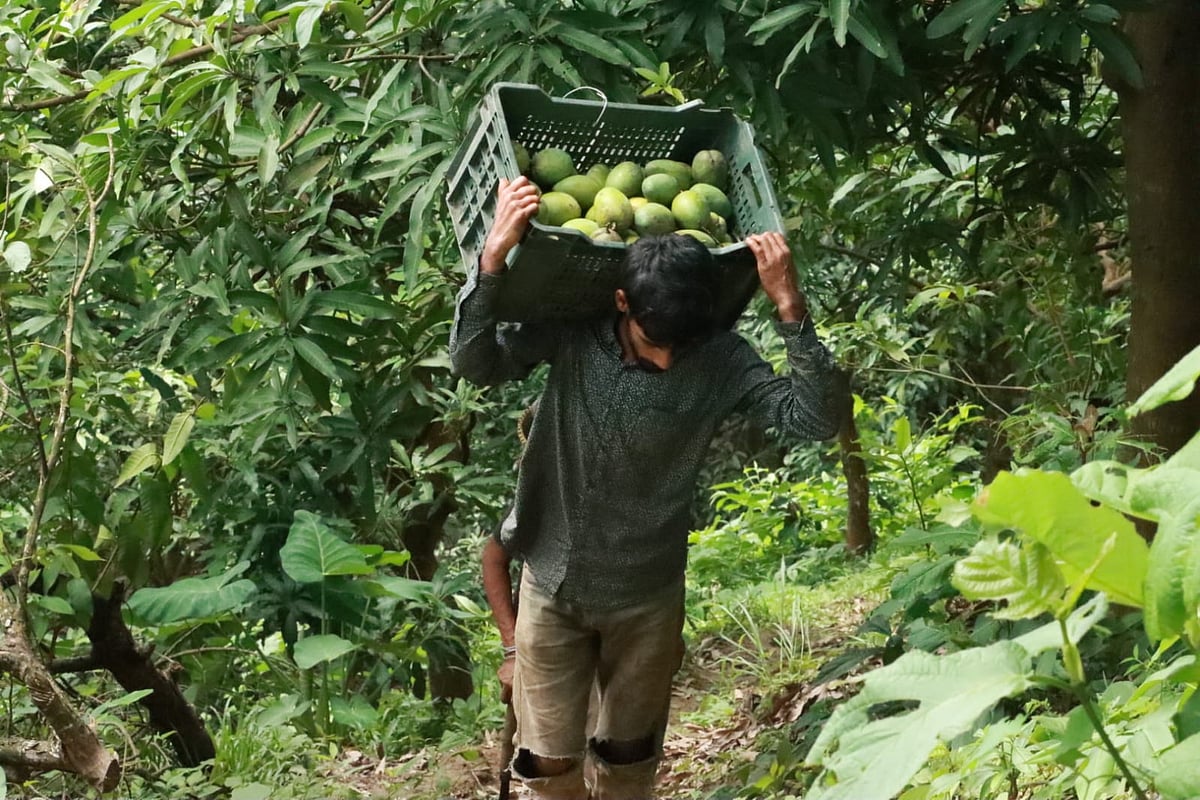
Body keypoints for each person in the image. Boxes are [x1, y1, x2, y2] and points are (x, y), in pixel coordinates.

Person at [451, 175, 839, 800]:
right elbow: (476, 364)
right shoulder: (575, 330)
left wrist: (791, 310)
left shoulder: (721, 358)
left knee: (628, 760)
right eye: (654, 343)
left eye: (678, 346)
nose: (665, 362)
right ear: (623, 303)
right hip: (553, 586)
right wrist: (491, 262)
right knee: (547, 765)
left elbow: (814, 421)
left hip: (648, 593)